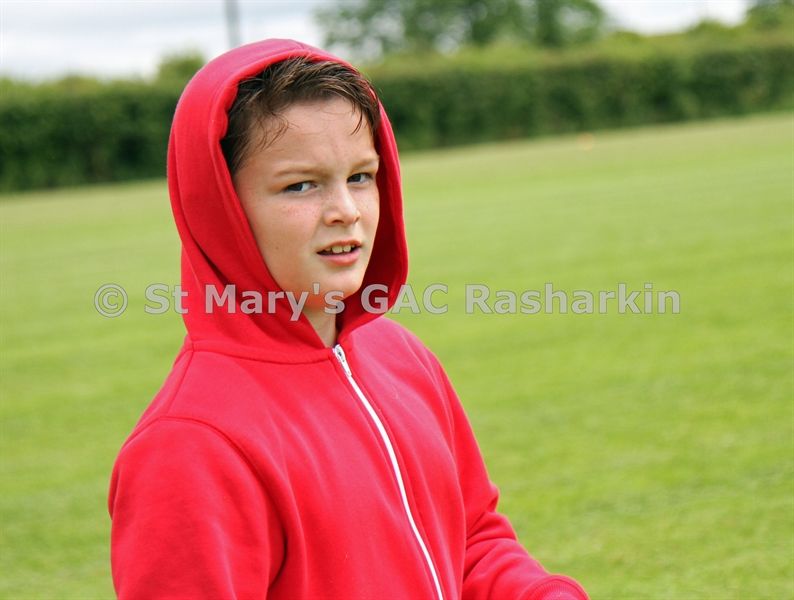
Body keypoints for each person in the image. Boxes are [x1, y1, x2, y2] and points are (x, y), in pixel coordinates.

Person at [108, 38, 588, 600]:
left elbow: (470, 541)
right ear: (220, 207)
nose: (347, 211)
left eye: (361, 176)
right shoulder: (189, 444)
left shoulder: (400, 356)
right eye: (300, 185)